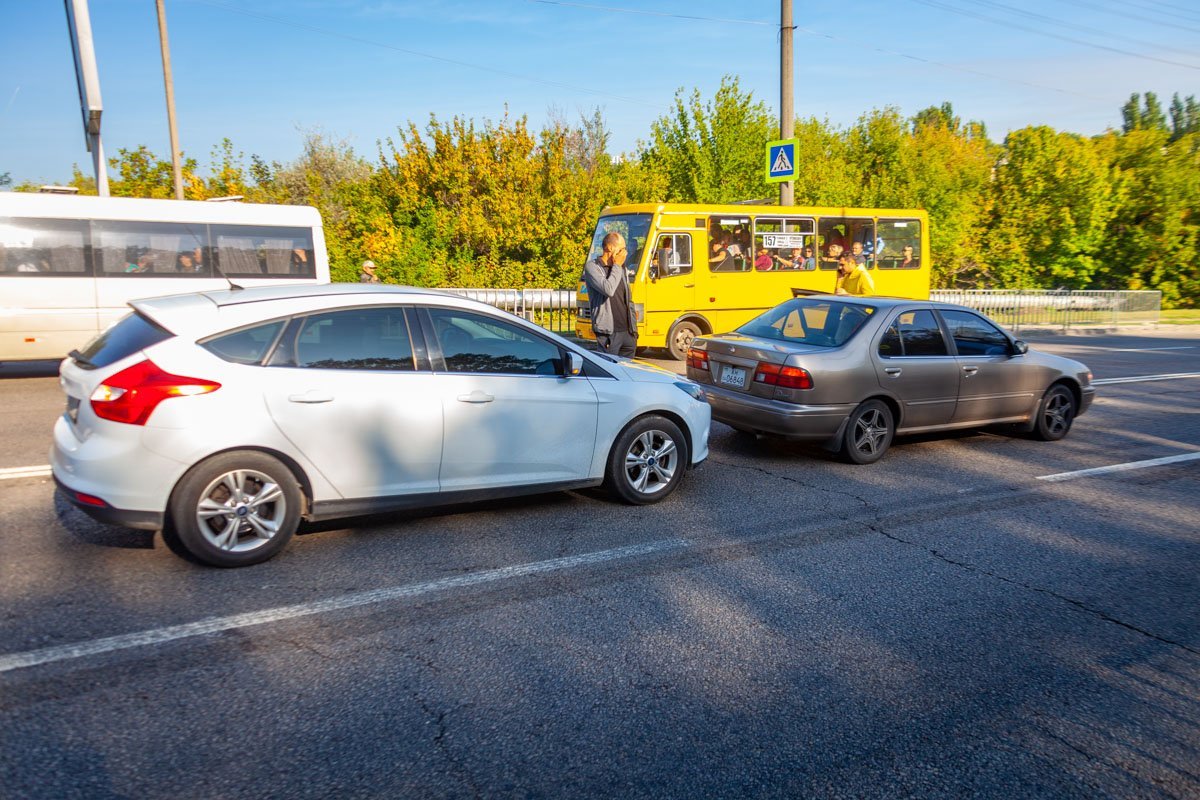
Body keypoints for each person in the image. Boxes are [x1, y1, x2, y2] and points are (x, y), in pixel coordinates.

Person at [582, 232, 637, 357]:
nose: (625, 253)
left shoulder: (621, 268)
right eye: (622, 249)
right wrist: (617, 265)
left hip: (628, 333)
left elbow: (628, 298)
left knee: (629, 369)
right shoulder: (593, 267)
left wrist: (634, 331)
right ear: (610, 248)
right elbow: (608, 289)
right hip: (608, 333)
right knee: (609, 367)